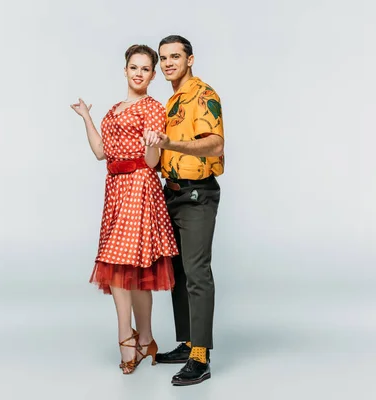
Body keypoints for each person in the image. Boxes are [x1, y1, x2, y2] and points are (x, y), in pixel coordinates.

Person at [70, 44, 179, 375]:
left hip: (139, 186)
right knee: (136, 271)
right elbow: (101, 153)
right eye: (134, 67)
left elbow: (152, 162)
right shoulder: (114, 110)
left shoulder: (153, 108)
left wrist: (152, 143)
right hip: (115, 190)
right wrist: (87, 117)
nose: (139, 73)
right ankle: (146, 340)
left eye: (146, 69)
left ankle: (126, 339)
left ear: (153, 74)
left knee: (121, 265)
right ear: (125, 70)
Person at [141, 35, 224, 386]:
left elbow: (215, 143)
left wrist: (171, 143)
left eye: (175, 56)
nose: (168, 63)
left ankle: (201, 357)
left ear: (190, 59)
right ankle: (187, 342)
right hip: (172, 193)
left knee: (197, 273)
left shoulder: (204, 95)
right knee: (177, 272)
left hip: (197, 195)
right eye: (163, 58)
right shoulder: (172, 101)